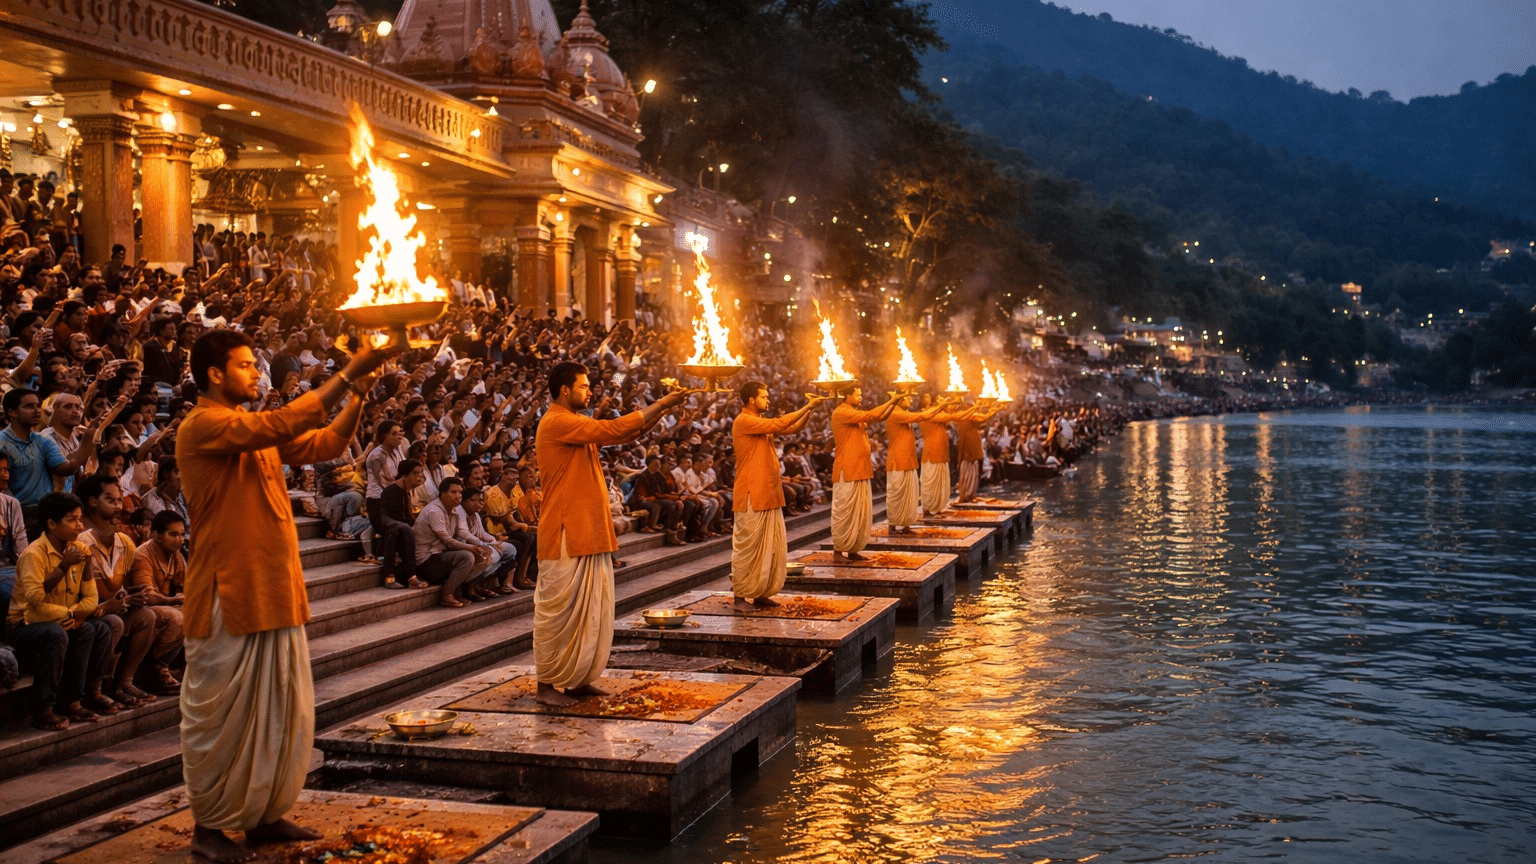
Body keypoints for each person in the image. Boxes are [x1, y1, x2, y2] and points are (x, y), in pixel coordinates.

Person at [175, 329, 388, 863]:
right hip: (228, 588)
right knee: (221, 716)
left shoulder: (252, 429)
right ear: (214, 374)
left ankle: (265, 815)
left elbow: (326, 444)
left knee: (279, 709)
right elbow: (285, 421)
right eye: (246, 366)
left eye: (256, 364)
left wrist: (359, 394)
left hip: (273, 584)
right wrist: (348, 372)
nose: (256, 373)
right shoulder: (204, 424)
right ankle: (209, 829)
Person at [533, 361, 691, 706]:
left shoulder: (576, 422)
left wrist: (665, 414)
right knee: (558, 612)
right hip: (564, 530)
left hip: (586, 527)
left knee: (591, 610)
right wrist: (662, 403)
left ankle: (577, 679)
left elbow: (625, 433)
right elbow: (614, 429)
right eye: (584, 386)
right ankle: (546, 686)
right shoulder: (558, 421)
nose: (590, 391)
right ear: (564, 390)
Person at [7, 492, 117, 731]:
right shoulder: (33, 555)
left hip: (64, 620)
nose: (80, 525)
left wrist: (78, 615)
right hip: (26, 626)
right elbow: (35, 600)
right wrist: (64, 568)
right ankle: (44, 710)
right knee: (56, 634)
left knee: (100, 628)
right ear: (51, 524)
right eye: (72, 520)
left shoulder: (79, 549)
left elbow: (91, 597)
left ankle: (78, 700)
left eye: (80, 519)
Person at [730, 381, 826, 611]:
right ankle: (740, 597)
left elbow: (792, 429)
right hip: (752, 493)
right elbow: (781, 422)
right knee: (749, 547)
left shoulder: (760, 423)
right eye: (764, 396)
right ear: (752, 400)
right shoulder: (744, 420)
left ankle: (761, 592)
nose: (768, 400)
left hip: (769, 491)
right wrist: (806, 406)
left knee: (771, 548)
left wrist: (811, 410)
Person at [2, 387, 104, 536]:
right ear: (12, 412)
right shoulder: (2, 442)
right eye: (29, 406)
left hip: (45, 513)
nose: (37, 410)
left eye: (38, 405)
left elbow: (65, 468)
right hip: (14, 514)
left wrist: (87, 444)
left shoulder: (43, 441)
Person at [829, 385, 899, 562]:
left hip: (861, 468)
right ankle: (838, 551)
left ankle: (853, 550)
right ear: (846, 396)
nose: (861, 397)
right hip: (848, 469)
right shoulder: (841, 412)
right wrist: (892, 401)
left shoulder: (853, 412)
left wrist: (893, 403)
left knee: (860, 513)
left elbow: (880, 416)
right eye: (857, 394)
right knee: (845, 511)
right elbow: (872, 415)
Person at [127, 509, 187, 694]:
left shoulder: (176, 555)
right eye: (173, 534)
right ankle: (157, 670)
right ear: (156, 535)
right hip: (140, 609)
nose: (180, 539)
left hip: (162, 606)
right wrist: (172, 600)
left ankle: (177, 669)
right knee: (177, 617)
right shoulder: (142, 555)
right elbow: (147, 597)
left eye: (182, 534)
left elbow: (184, 587)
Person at [410, 476, 486, 608]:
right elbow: (448, 541)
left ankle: (461, 590)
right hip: (426, 560)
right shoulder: (434, 510)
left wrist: (480, 546)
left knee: (481, 555)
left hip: (441, 553)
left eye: (460, 493)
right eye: (453, 492)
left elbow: (461, 533)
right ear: (442, 493)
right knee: (466, 556)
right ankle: (447, 594)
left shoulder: (456, 509)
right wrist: (471, 547)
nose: (458, 496)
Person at [884, 392, 950, 534]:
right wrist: (942, 405)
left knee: (910, 494)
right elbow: (922, 416)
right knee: (897, 493)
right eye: (908, 398)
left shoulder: (904, 412)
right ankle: (893, 525)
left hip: (909, 458)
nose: (911, 400)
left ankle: (906, 525)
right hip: (898, 459)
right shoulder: (895, 413)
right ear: (900, 400)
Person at [918, 395, 976, 517]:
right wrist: (974, 407)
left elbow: (952, 416)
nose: (943, 401)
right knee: (931, 484)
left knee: (940, 484)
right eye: (939, 400)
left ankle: (936, 508)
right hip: (932, 454)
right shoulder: (930, 414)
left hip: (941, 454)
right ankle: (928, 510)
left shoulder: (936, 414)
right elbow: (954, 416)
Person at [954, 404, 1000, 503]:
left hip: (972, 452)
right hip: (967, 452)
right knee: (967, 475)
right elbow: (983, 418)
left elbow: (982, 420)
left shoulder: (967, 419)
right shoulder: (965, 417)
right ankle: (966, 496)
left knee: (972, 475)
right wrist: (993, 409)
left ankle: (969, 496)